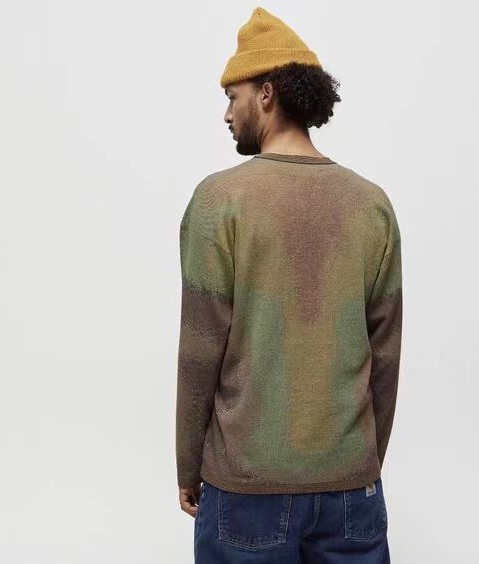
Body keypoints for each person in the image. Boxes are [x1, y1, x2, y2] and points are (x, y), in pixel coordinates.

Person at [175, 6, 403, 563]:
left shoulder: (219, 201)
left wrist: (187, 465)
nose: (227, 114)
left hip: (245, 487)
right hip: (351, 487)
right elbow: (386, 354)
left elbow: (200, 350)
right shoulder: (371, 205)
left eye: (232, 96)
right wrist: (361, 462)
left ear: (266, 93)